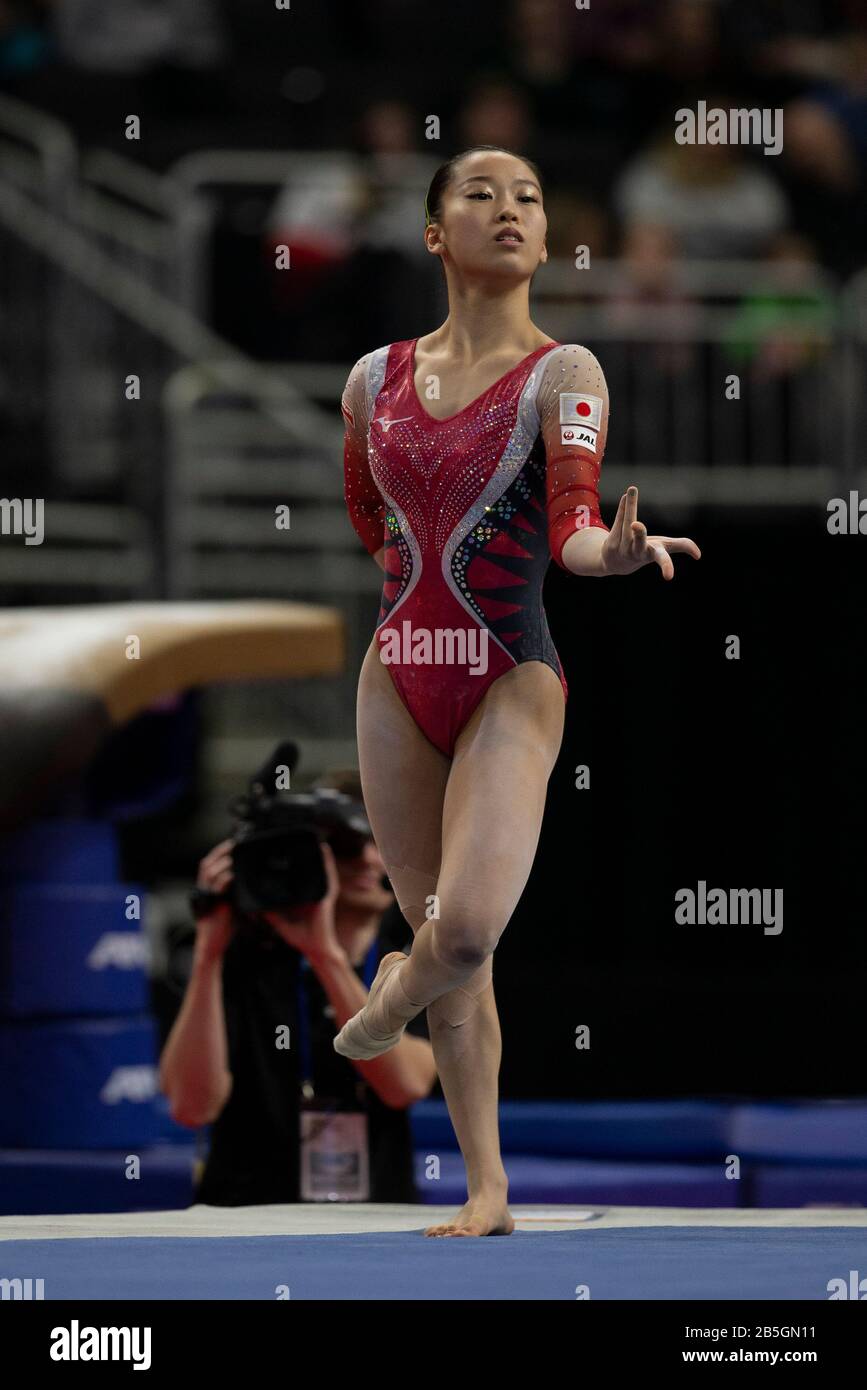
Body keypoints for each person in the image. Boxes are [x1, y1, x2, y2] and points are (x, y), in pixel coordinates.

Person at [336, 144, 701, 1237]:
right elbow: (368, 515)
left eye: (531, 198)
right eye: (480, 196)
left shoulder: (565, 372)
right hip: (398, 671)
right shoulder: (371, 377)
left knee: (459, 935)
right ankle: (487, 1185)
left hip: (508, 667)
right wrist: (411, 594)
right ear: (437, 234)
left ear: (545, 239)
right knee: (457, 953)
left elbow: (575, 522)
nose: (510, 210)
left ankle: (384, 999)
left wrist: (612, 556)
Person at [158, 772, 437, 1206]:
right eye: (346, 847)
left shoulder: (411, 966)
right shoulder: (244, 964)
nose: (368, 860)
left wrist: (324, 955)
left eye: (382, 842)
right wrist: (208, 953)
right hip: (240, 1223)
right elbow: (191, 1106)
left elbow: (404, 1084)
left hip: (376, 1229)